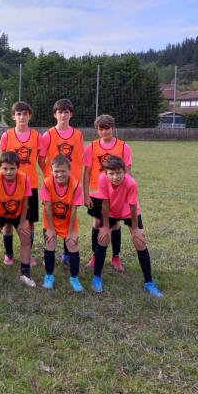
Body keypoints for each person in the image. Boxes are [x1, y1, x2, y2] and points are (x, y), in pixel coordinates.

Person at [90, 155, 163, 297]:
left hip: (129, 212)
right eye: (111, 173)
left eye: (119, 173)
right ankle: (97, 278)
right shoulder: (102, 179)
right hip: (110, 210)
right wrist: (105, 226)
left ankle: (149, 283)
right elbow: (104, 203)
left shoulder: (131, 183)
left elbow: (133, 206)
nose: (115, 177)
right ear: (106, 173)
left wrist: (136, 230)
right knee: (103, 238)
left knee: (140, 242)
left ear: (124, 171)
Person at [83, 114, 132, 272]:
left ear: (113, 128)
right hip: (97, 192)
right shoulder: (91, 147)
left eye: (107, 128)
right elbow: (87, 173)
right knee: (97, 223)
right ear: (97, 130)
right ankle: (95, 256)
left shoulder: (124, 147)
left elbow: (128, 174)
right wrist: (85, 194)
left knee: (115, 225)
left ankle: (115, 257)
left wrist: (127, 195)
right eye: (101, 129)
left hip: (116, 194)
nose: (104, 132)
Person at [39, 98, 85, 264]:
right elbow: (41, 158)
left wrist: (75, 179)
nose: (63, 115)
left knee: (69, 214)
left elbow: (79, 158)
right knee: (48, 213)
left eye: (66, 112)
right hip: (53, 183)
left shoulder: (78, 135)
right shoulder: (48, 134)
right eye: (60, 112)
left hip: (71, 184)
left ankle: (67, 252)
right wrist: (48, 176)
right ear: (54, 114)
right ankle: (48, 252)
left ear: (71, 114)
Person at [0, 101, 42, 267]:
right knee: (8, 221)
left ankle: (28, 255)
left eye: (25, 113)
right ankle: (8, 254)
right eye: (18, 114)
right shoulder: (7, 136)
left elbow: (42, 161)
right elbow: (2, 162)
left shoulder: (37, 136)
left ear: (30, 115)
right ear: (13, 116)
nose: (22, 117)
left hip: (30, 186)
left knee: (29, 222)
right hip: (10, 186)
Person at [0, 151, 35, 287]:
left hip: (18, 213)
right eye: (5, 168)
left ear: (18, 168)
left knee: (26, 235)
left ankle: (25, 273)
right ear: (0, 167)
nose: (8, 172)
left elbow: (26, 203)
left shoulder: (24, 178)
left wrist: (23, 222)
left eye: (12, 168)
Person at [40, 155, 85, 292]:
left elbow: (73, 210)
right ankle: (49, 276)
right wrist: (51, 230)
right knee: (50, 243)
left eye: (63, 171)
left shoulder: (76, 185)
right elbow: (47, 207)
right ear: (52, 171)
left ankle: (74, 278)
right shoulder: (47, 183)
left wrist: (71, 232)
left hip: (68, 222)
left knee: (72, 244)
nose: (59, 174)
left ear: (69, 170)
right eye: (56, 171)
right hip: (51, 222)